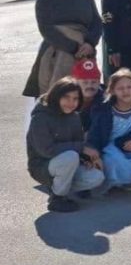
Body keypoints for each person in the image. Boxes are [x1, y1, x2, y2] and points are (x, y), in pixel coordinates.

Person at [23, 0, 102, 109]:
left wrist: (89, 43)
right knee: (57, 93)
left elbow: (96, 23)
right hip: (56, 52)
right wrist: (73, 48)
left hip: (85, 51)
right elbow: (46, 29)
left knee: (84, 94)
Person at [27, 77, 106, 212]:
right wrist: (81, 149)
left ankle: (59, 187)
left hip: (66, 164)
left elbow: (78, 142)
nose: (71, 103)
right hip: (42, 166)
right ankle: (57, 198)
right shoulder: (40, 118)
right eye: (66, 97)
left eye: (75, 99)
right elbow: (47, 150)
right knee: (70, 156)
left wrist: (85, 159)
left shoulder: (74, 117)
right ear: (56, 96)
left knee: (96, 177)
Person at [72, 59, 105, 132]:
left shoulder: (107, 102)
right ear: (76, 83)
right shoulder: (66, 100)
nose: (89, 86)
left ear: (99, 82)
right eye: (85, 82)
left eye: (94, 82)